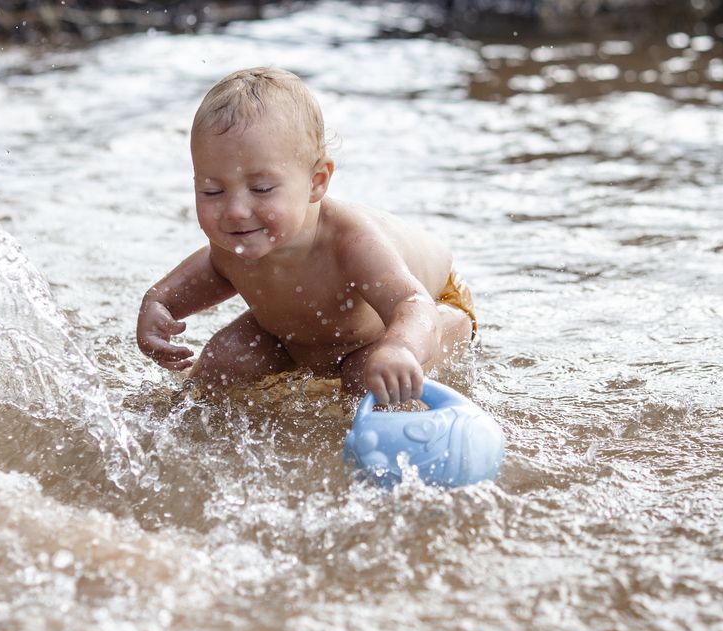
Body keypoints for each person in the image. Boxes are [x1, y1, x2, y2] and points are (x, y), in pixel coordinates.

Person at [136, 67, 477, 404]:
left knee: (365, 377)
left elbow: (412, 304)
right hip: (293, 336)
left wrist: (400, 348)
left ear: (316, 181)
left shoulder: (351, 243)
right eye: (212, 191)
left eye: (261, 188)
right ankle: (179, 415)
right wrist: (158, 306)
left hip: (433, 308)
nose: (235, 210)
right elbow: (198, 278)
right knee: (223, 361)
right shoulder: (235, 241)